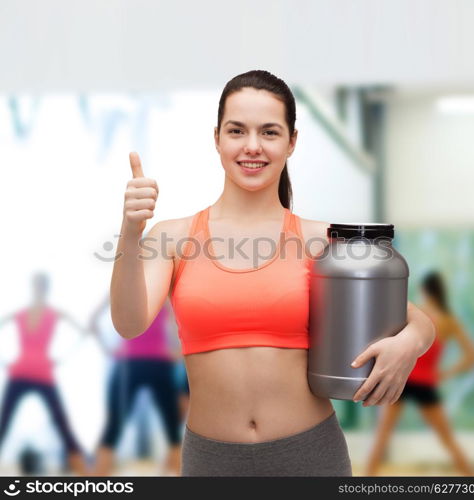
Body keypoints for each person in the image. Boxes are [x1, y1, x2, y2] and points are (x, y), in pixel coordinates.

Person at [110, 70, 436, 477]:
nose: (252, 146)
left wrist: (409, 344)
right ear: (217, 139)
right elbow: (129, 322)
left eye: (269, 132)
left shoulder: (321, 242)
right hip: (211, 462)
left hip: (310, 456)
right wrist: (131, 230)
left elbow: (414, 319)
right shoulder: (174, 237)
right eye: (236, 131)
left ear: (291, 141)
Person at [364, 271, 474, 476]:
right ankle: (472, 480)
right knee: (447, 439)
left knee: (382, 435)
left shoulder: (418, 315)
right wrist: (445, 373)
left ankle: (365, 481)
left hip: (403, 379)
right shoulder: (449, 321)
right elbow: (472, 355)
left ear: (425, 290)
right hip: (425, 384)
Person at [0, 272, 88, 475]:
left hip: (41, 374)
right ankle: (82, 468)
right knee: (4, 423)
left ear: (44, 288)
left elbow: (83, 332)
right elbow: (84, 332)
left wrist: (62, 357)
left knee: (62, 423)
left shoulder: (52, 313)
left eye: (41, 285)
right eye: (37, 284)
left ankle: (83, 471)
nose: (39, 288)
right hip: (21, 372)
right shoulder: (21, 313)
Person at [88, 295, 186, 476]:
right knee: (171, 428)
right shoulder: (161, 294)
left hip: (136, 364)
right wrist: (106, 349)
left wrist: (177, 351)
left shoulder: (158, 294)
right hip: (147, 364)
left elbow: (176, 323)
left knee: (170, 427)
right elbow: (177, 325)